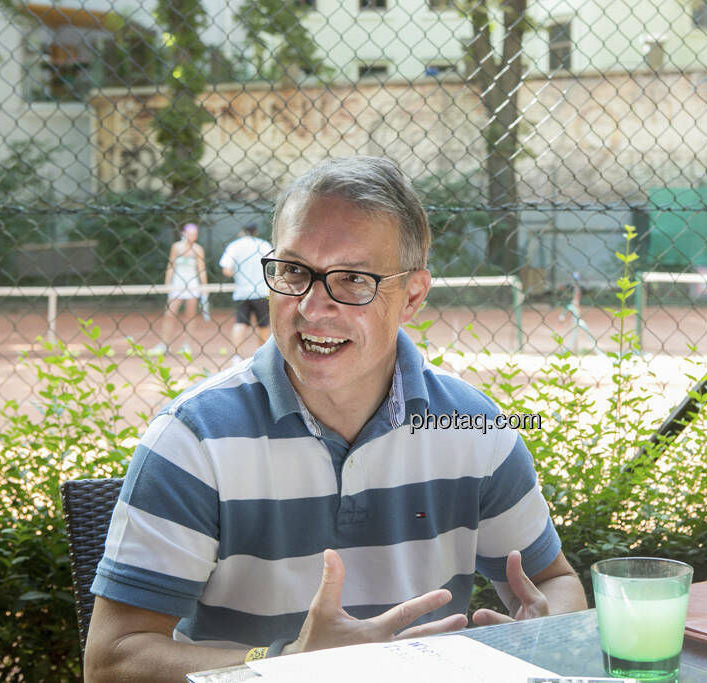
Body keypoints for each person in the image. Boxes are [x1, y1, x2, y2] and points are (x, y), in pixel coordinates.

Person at [84, 156, 587, 681]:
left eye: (352, 279)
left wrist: (546, 629)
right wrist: (283, 665)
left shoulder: (474, 427)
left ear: (412, 295)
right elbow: (111, 661)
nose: (311, 307)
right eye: (295, 271)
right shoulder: (194, 439)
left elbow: (554, 582)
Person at [219, 223, 274, 364]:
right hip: (262, 291)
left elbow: (226, 269)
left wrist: (239, 274)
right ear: (256, 232)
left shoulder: (235, 245)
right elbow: (273, 266)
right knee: (263, 324)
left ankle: (236, 356)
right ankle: (263, 356)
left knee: (240, 322)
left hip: (242, 292)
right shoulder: (264, 245)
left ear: (243, 231)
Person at [151, 222, 208, 355]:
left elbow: (201, 269)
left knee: (190, 316)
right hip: (177, 285)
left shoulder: (198, 249)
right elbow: (171, 266)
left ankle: (186, 345)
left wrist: (204, 287)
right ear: (184, 233)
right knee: (169, 314)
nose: (192, 236)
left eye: (194, 234)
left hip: (193, 285)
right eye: (190, 234)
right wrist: (168, 284)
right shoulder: (176, 247)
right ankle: (164, 345)